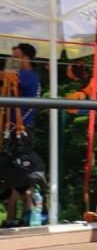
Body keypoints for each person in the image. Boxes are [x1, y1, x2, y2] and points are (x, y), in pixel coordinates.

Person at [0, 43, 41, 227]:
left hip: (21, 131)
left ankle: (27, 214)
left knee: (24, 171)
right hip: (14, 130)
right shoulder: (23, 77)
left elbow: (4, 76)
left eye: (15, 56)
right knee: (13, 172)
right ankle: (14, 216)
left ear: (26, 58)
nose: (12, 60)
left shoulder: (28, 76)